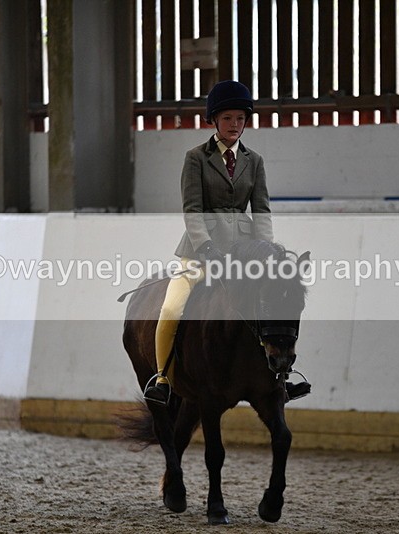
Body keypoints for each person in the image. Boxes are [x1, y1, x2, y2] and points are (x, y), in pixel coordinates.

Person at [143, 80, 310, 405]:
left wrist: (268, 254)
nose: (235, 125)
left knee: (274, 308)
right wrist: (207, 249)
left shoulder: (254, 161)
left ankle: (280, 380)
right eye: (228, 119)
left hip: (247, 254)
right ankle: (163, 378)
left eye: (240, 119)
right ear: (214, 121)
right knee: (172, 308)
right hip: (199, 252)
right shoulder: (196, 158)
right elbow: (192, 210)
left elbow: (261, 211)